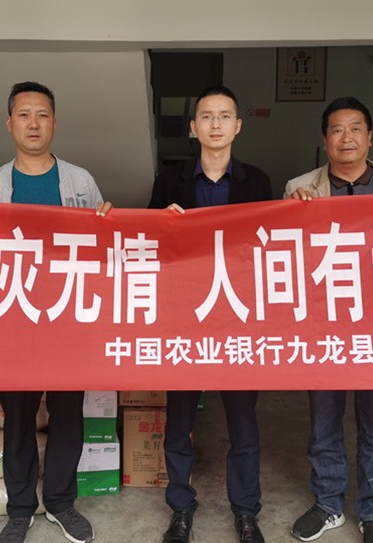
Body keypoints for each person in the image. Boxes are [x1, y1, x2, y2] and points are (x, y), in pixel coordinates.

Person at [0, 81, 111, 543]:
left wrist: (107, 221)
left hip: (68, 317)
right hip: (14, 318)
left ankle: (61, 503)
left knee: (68, 412)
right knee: (19, 415)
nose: (34, 124)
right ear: (9, 123)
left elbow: (100, 250)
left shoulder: (80, 182)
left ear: (55, 123)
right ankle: (19, 508)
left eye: (43, 115)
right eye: (24, 114)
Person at [284, 96, 373, 543]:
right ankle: (328, 504)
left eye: (356, 128)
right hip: (324, 327)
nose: (347, 138)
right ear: (324, 140)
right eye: (337, 130)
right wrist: (292, 211)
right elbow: (282, 255)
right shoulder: (298, 188)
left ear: (370, 137)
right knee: (323, 423)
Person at [148, 84, 273, 543]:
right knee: (179, 422)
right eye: (206, 116)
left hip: (238, 319)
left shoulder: (257, 181)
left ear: (237, 126)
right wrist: (163, 224)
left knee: (243, 424)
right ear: (193, 126)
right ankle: (181, 509)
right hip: (185, 319)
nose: (215, 124)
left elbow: (269, 243)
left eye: (224, 116)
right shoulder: (169, 181)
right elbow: (148, 245)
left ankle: (246, 512)